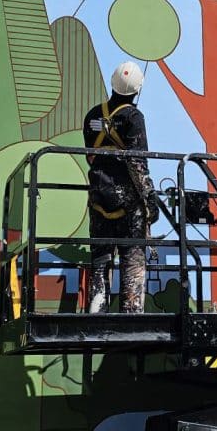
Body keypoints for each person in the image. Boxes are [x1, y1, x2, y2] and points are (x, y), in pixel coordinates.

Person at [83, 60, 159, 313]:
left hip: (98, 197)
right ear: (138, 89)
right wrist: (150, 202)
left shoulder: (93, 115)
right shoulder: (134, 117)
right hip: (128, 202)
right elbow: (138, 164)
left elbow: (90, 156)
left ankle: (97, 307)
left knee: (101, 256)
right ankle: (131, 311)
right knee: (132, 257)